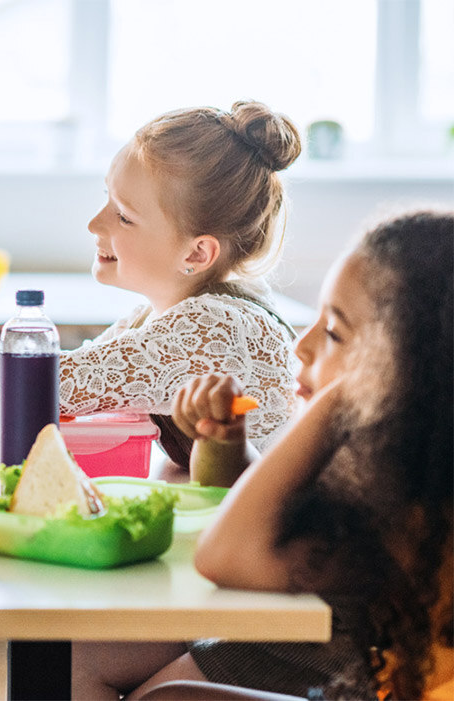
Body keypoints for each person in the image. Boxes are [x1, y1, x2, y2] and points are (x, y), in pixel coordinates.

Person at [73, 208, 454, 700]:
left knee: (169, 699)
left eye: (335, 334)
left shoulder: (417, 518)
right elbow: (272, 521)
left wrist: (344, 394)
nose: (303, 345)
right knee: (78, 654)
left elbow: (227, 554)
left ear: (411, 374)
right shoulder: (374, 465)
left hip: (337, 670)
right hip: (287, 641)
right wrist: (226, 445)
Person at [0, 101, 302, 472]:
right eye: (106, 197)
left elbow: (31, 388)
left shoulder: (212, 329)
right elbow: (25, 422)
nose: (94, 223)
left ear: (197, 254)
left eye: (123, 216)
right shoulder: (155, 320)